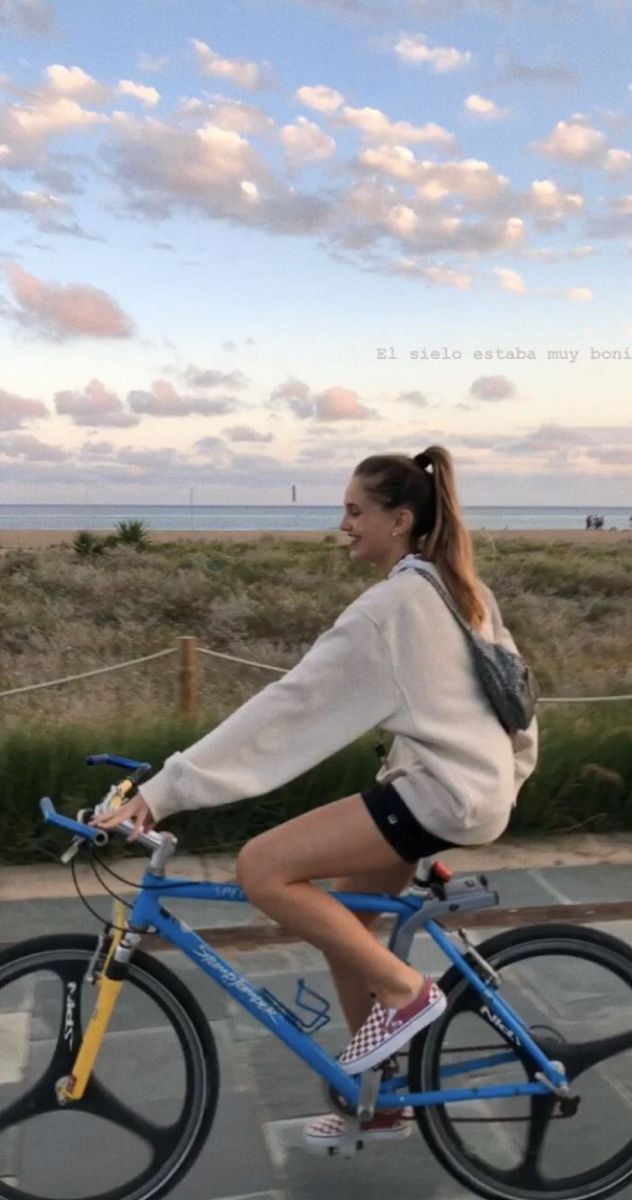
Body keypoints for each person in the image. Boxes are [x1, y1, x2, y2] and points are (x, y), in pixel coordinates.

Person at [94, 446, 538, 1150]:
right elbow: (516, 706)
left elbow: (289, 708)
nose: (342, 524)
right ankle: (382, 1101)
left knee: (262, 868)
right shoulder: (460, 589)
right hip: (462, 791)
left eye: (355, 511)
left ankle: (406, 994)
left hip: (437, 795)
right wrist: (506, 778)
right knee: (348, 921)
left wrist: (165, 790)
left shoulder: (391, 607)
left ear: (399, 520)